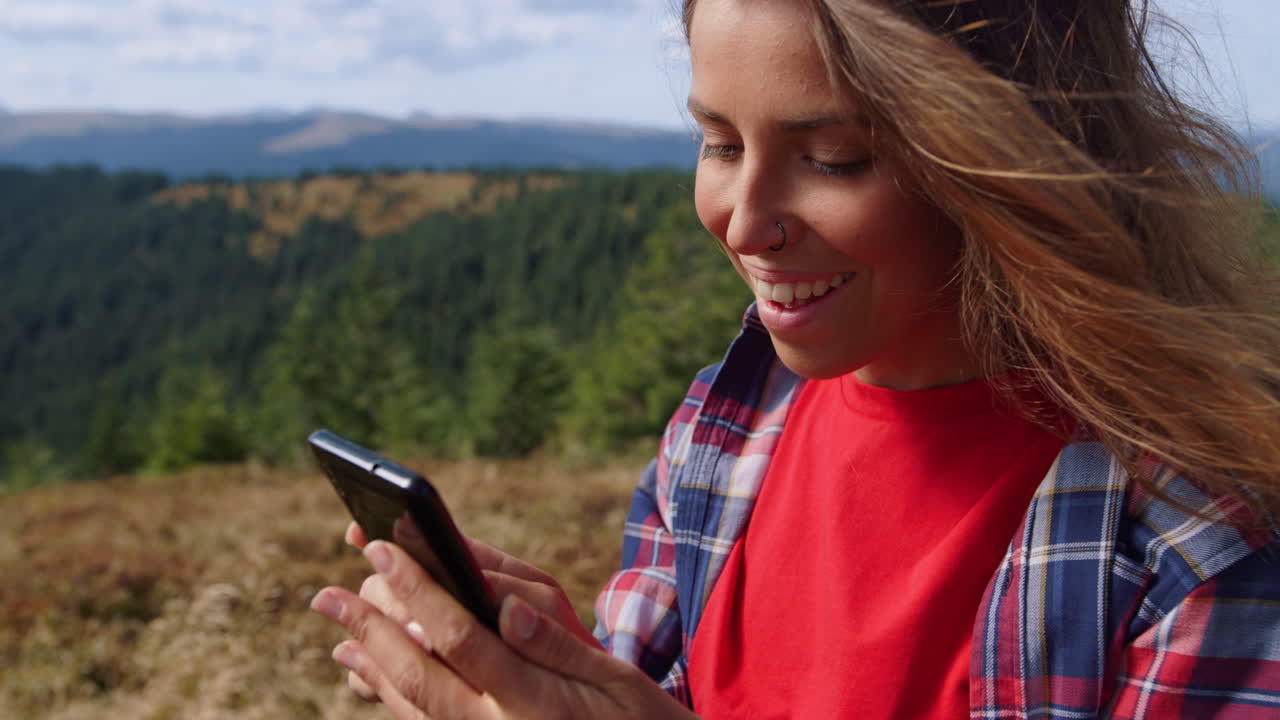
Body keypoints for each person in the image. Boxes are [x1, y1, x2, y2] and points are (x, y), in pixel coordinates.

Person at [309, 0, 1280, 717]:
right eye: (718, 142)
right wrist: (559, 678)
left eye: (832, 159)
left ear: (1006, 160)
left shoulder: (1197, 540)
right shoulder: (717, 435)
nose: (742, 222)